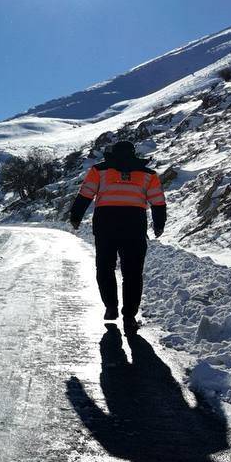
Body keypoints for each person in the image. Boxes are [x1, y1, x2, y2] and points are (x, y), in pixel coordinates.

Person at [68, 140, 166, 326]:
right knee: (133, 272)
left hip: (106, 225)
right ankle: (129, 315)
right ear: (133, 153)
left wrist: (76, 216)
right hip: (134, 226)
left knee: (105, 268)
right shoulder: (148, 174)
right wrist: (159, 224)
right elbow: (158, 201)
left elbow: (85, 194)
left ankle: (110, 307)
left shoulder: (99, 171)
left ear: (112, 153)